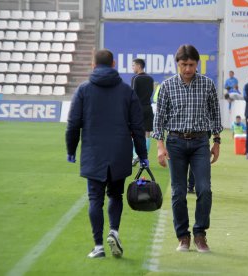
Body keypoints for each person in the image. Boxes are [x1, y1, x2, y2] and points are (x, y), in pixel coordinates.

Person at [65, 49, 148, 258]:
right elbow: (138, 127)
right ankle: (114, 231)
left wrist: (71, 149)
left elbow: (73, 124)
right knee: (116, 195)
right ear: (113, 64)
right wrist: (142, 154)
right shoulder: (126, 91)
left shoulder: (83, 90)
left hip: (93, 152)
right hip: (120, 152)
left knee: (95, 199)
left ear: (93, 65)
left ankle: (98, 246)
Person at [153, 44, 223, 253]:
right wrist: (160, 146)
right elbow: (160, 119)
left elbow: (215, 114)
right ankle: (183, 236)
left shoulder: (208, 85)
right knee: (178, 192)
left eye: (191, 65)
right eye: (184, 65)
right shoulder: (166, 87)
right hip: (175, 143)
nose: (187, 69)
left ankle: (200, 234)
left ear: (197, 64)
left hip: (201, 142)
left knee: (204, 189)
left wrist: (217, 141)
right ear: (178, 64)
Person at [131, 58, 154, 166]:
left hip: (138, 109)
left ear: (138, 66)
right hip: (148, 108)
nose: (132, 68)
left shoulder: (135, 79)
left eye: (133, 65)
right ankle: (143, 159)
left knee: (134, 134)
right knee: (147, 134)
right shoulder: (150, 79)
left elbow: (133, 96)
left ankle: (136, 156)